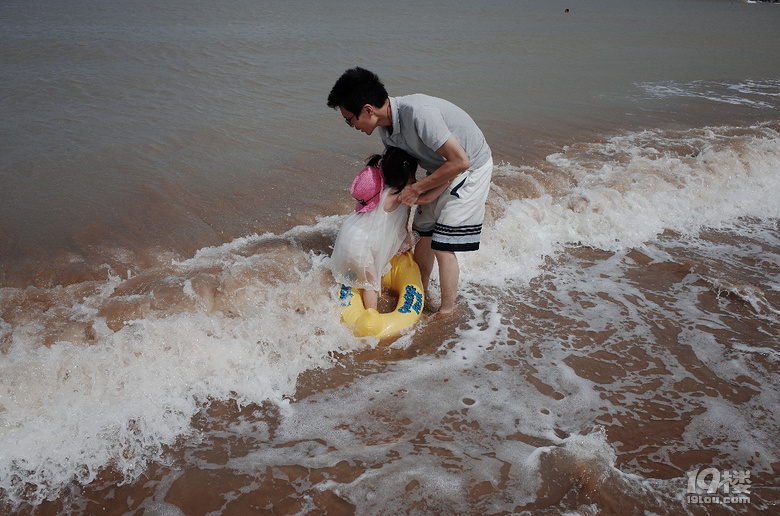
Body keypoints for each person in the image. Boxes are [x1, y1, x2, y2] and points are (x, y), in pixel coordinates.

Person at [327, 67, 493, 313]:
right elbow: (406, 173)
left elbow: (461, 162)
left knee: (442, 245)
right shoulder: (386, 131)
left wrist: (417, 190)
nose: (350, 125)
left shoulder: (419, 115)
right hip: (441, 168)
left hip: (470, 169)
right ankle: (421, 294)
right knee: (422, 234)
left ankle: (447, 312)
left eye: (349, 119)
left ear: (368, 110)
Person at [330, 147, 450, 311]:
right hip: (360, 246)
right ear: (405, 177)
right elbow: (427, 198)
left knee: (372, 274)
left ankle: (357, 294)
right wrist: (446, 181)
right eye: (413, 176)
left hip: (350, 237)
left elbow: (401, 225)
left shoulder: (380, 190)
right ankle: (371, 314)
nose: (416, 181)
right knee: (371, 284)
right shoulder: (399, 196)